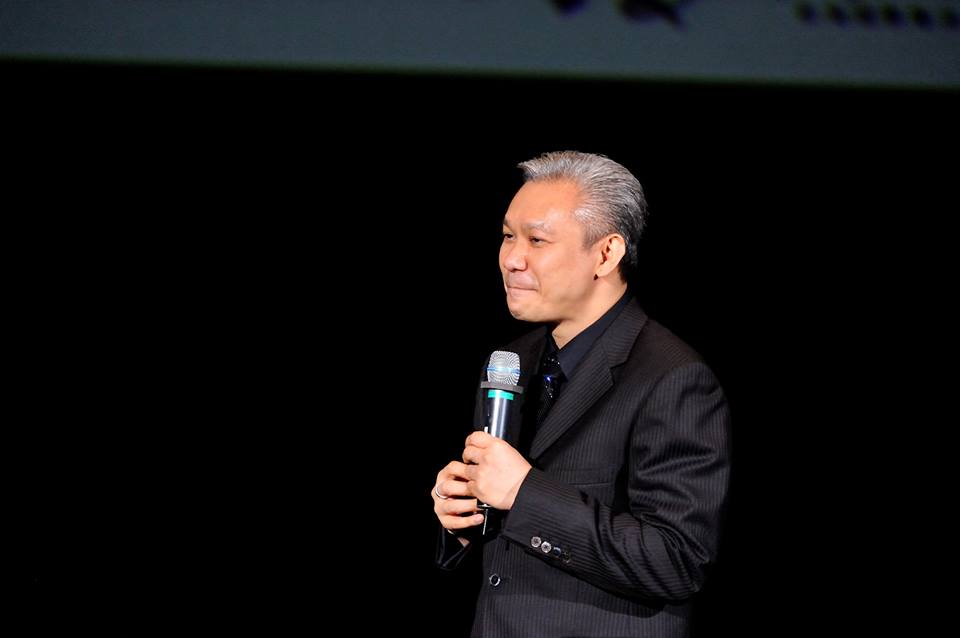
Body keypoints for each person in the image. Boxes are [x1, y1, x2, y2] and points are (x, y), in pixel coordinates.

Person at [431, 150, 731, 637]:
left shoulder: (673, 377)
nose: (512, 259)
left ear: (606, 254)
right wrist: (465, 519)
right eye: (507, 236)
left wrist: (523, 492)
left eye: (536, 240)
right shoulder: (512, 361)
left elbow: (676, 561)